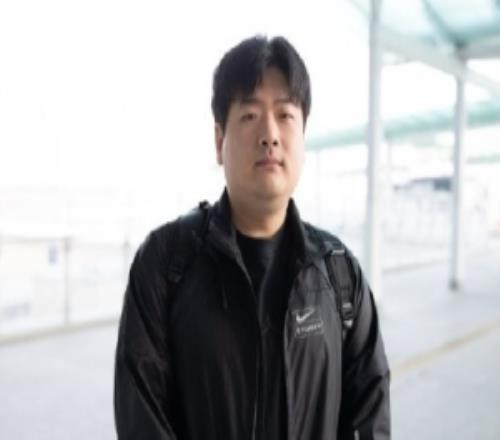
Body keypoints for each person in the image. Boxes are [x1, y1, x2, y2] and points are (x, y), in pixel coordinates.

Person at [114, 35, 391, 440]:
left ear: (302, 137)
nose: (270, 134)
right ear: (219, 141)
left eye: (285, 115)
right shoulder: (165, 264)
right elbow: (142, 421)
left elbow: (370, 414)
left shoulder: (339, 276)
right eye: (249, 115)